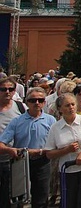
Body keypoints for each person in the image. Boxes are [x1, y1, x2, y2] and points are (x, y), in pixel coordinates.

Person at [0, 87, 56, 208]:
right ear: (27, 102)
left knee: (41, 198)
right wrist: (10, 150)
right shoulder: (17, 121)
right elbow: (1, 143)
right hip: (21, 161)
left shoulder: (51, 120)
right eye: (33, 100)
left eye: (40, 100)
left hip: (43, 162)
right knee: (18, 198)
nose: (37, 103)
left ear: (44, 102)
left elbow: (57, 142)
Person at [44, 93, 81, 207]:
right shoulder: (55, 128)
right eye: (67, 105)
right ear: (60, 109)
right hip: (68, 171)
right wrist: (66, 150)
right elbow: (49, 154)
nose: (71, 107)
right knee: (69, 202)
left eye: (73, 104)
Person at [0, 76, 25, 205]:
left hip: (15, 161)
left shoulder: (21, 107)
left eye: (11, 89)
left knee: (15, 198)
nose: (7, 92)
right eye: (3, 89)